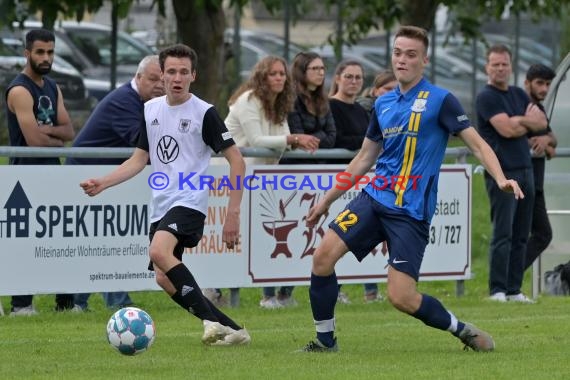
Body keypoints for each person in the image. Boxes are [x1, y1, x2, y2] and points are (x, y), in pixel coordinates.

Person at [299, 25, 523, 353]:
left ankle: (461, 330)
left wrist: (500, 177)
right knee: (322, 258)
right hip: (374, 199)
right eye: (397, 53)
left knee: (401, 297)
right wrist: (325, 202)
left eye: (411, 55)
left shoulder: (441, 100)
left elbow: (477, 144)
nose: (402, 60)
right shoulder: (384, 104)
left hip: (410, 211)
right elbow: (363, 159)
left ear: (425, 61)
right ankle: (325, 341)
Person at [79, 44, 250, 346]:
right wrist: (104, 182)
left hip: (190, 199)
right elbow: (138, 159)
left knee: (159, 251)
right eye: (171, 71)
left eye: (184, 72)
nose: (177, 78)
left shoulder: (204, 113)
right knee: (162, 276)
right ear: (161, 76)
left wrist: (233, 214)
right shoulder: (150, 110)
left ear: (193, 76)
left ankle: (210, 322)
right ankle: (234, 330)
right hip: (161, 202)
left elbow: (237, 160)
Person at [66, 55, 165, 311]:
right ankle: (94, 302)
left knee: (100, 241)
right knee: (96, 242)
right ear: (138, 77)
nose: (159, 85)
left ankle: (82, 303)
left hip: (106, 180)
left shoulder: (145, 103)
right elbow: (141, 142)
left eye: (163, 81)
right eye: (153, 79)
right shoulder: (125, 101)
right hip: (85, 179)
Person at [224, 55, 320, 309]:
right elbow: (256, 140)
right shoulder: (247, 101)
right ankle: (219, 290)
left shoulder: (278, 104)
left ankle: (272, 295)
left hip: (262, 180)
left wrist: (292, 139)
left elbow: (282, 136)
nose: (279, 78)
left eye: (282, 74)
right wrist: (294, 139)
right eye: (273, 74)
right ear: (262, 78)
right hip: (229, 178)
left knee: (267, 234)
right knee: (231, 238)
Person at [5, 29, 75, 315]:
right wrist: (53, 137)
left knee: (62, 237)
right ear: (27, 53)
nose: (46, 58)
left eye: (50, 52)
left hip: (52, 173)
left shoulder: (52, 86)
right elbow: (33, 141)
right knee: (24, 243)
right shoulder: (20, 90)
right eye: (40, 52)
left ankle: (66, 304)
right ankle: (21, 305)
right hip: (25, 175)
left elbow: (69, 131)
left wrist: (48, 132)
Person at [476, 45, 547, 303]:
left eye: (505, 64)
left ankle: (514, 289)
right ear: (487, 67)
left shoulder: (518, 93)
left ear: (511, 65)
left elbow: (541, 123)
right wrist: (522, 121)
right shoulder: (486, 97)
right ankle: (497, 290)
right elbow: (505, 129)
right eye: (495, 64)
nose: (501, 69)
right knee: (502, 233)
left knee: (521, 234)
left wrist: (519, 121)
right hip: (502, 173)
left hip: (527, 170)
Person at [327, 59, 371, 304]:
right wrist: (363, 144)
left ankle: (343, 286)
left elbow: (370, 141)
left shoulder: (361, 111)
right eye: (349, 76)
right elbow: (339, 139)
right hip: (336, 178)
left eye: (358, 78)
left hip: (360, 180)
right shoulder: (330, 106)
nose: (354, 82)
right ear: (338, 78)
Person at [522, 64, 557, 270]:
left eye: (547, 84)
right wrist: (541, 143)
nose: (544, 89)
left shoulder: (540, 108)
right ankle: (506, 282)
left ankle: (511, 279)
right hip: (521, 180)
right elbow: (514, 135)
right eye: (539, 83)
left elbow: (553, 139)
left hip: (537, 184)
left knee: (543, 234)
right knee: (515, 236)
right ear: (528, 83)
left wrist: (546, 141)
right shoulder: (521, 105)